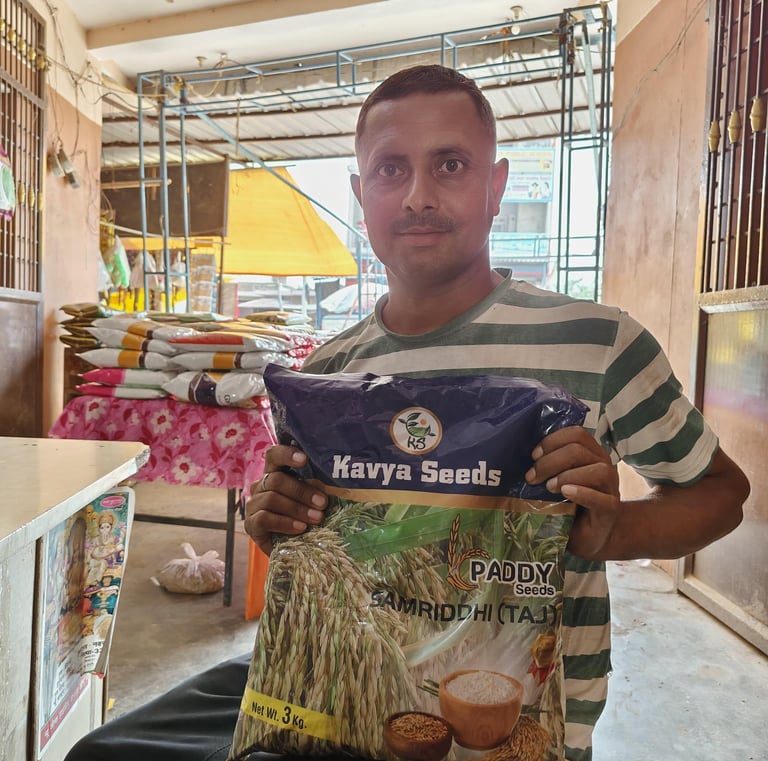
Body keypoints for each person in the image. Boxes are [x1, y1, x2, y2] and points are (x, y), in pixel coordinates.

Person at [65, 64, 749, 761]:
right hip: (359, 719)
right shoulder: (327, 372)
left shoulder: (601, 343)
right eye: (391, 170)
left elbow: (723, 495)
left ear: (496, 186)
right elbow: (333, 559)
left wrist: (612, 532)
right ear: (362, 195)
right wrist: (281, 525)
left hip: (521, 732)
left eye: (449, 164)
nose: (418, 195)